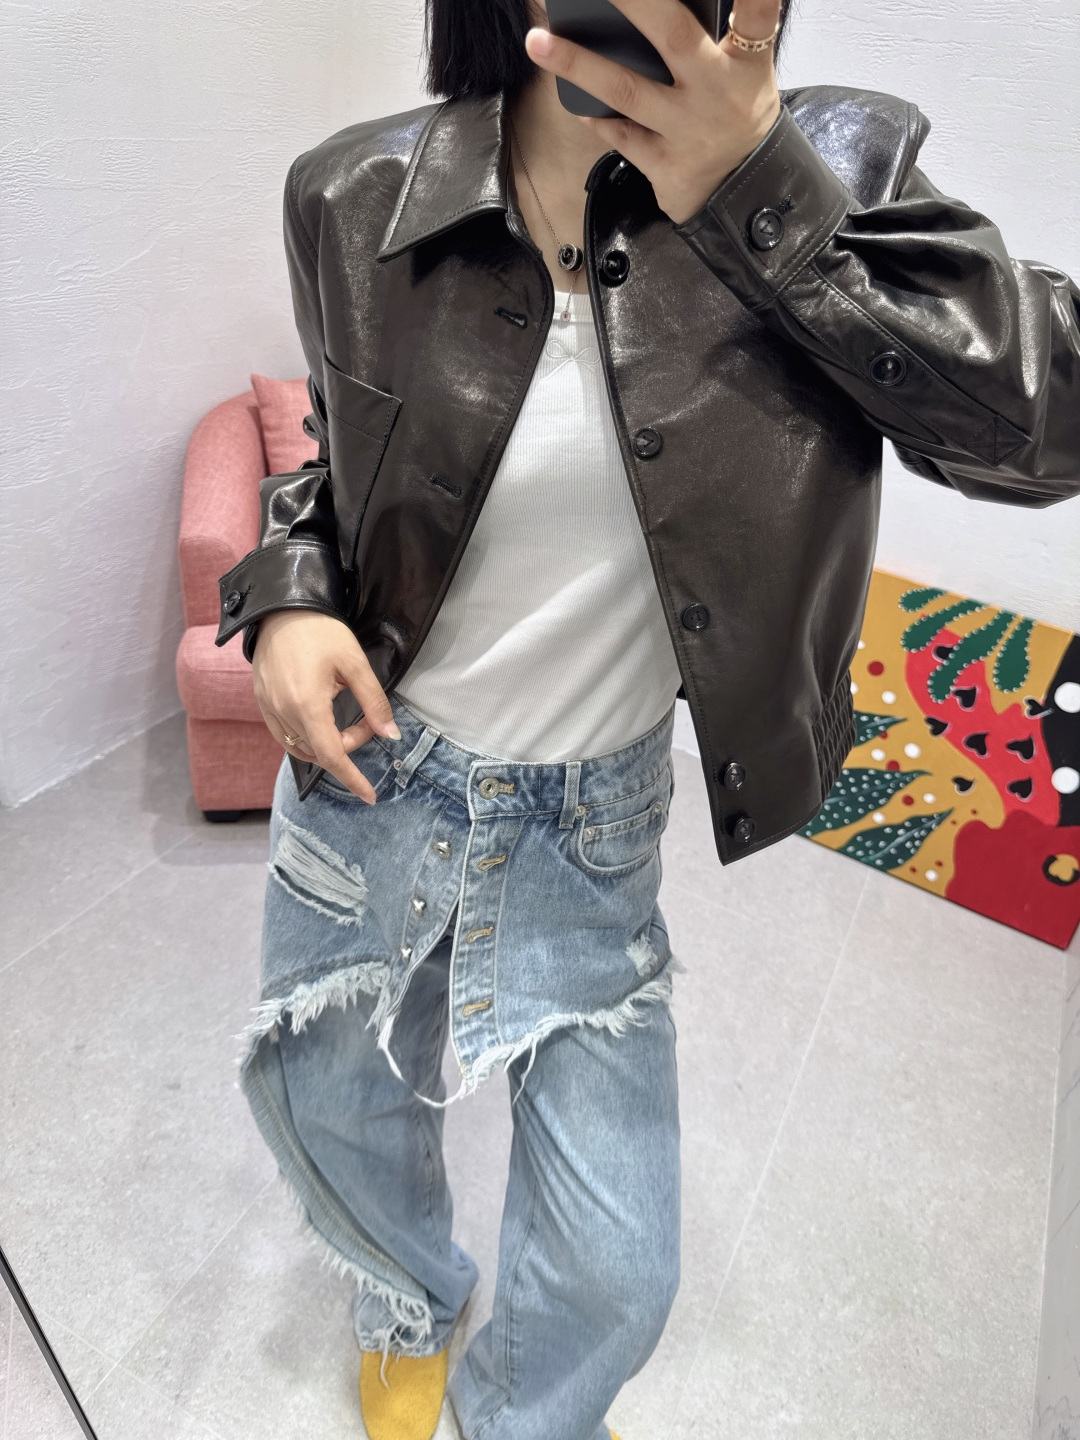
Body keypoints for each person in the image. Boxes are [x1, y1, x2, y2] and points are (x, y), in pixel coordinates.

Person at [213, 0, 1080, 1437]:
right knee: (326, 1114)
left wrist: (762, 194)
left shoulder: (839, 170)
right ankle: (412, 1298)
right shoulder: (352, 191)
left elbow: (1048, 427)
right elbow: (332, 442)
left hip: (589, 823)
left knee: (618, 1268)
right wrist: (290, 597)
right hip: (374, 776)